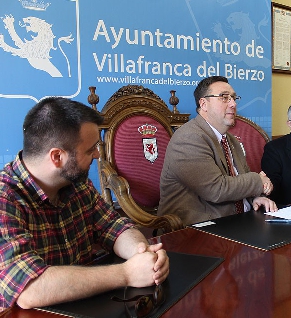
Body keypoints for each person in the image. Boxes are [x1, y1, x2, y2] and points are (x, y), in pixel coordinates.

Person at [0, 97, 169, 311]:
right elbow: (29, 289)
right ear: (57, 157)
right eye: (90, 150)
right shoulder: (5, 198)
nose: (98, 155)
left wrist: (143, 254)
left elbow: (114, 228)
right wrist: (127, 274)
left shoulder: (76, 183)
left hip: (83, 306)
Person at [158, 76, 277, 225]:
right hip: (199, 230)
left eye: (234, 98)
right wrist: (258, 181)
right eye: (224, 98)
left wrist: (254, 198)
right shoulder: (188, 138)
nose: (233, 104)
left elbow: (240, 179)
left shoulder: (231, 139)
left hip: (240, 222)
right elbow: (216, 189)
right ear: (204, 104)